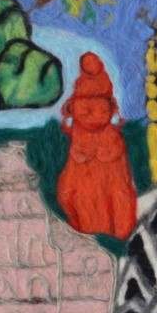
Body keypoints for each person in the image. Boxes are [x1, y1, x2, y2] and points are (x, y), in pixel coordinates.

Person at [56, 52, 138, 239]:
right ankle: (119, 232)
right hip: (103, 149)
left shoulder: (79, 96)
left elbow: (67, 193)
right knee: (114, 192)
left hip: (88, 151)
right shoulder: (104, 90)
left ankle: (104, 232)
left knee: (85, 194)